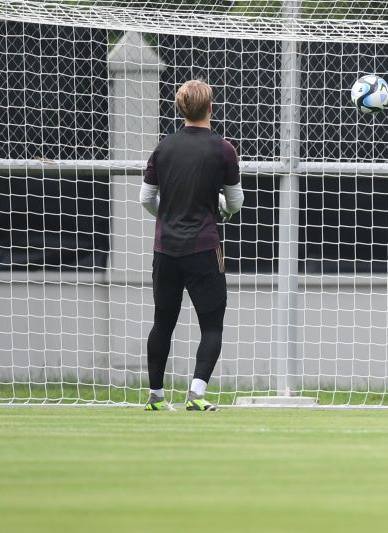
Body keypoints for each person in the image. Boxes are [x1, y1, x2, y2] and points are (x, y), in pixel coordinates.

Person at [139, 79, 244, 412]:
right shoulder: (223, 149)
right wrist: (222, 211)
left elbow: (146, 198)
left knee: (163, 321)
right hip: (203, 248)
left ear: (180, 108)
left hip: (165, 249)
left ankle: (156, 396)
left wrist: (168, 214)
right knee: (211, 325)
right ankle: (196, 394)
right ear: (211, 108)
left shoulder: (163, 147)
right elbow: (235, 201)